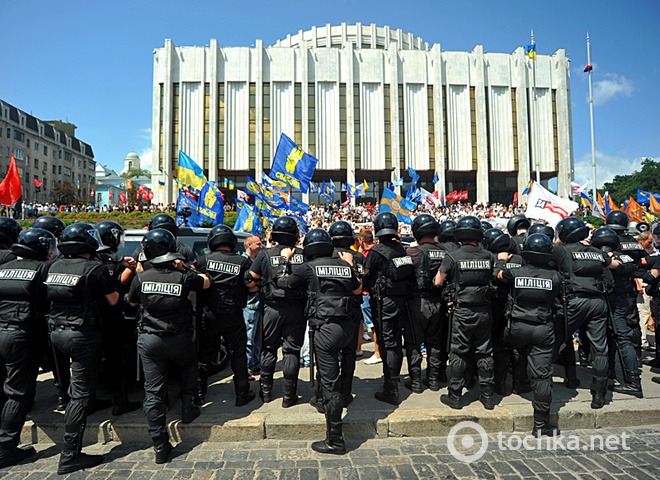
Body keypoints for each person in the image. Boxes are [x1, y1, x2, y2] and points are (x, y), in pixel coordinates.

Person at [126, 229, 210, 464]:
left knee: (153, 391)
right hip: (179, 337)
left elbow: (132, 302)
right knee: (188, 368)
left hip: (150, 339)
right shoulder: (182, 275)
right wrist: (184, 268)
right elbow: (206, 282)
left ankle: (160, 444)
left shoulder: (141, 277)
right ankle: (188, 408)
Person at [277, 229, 361, 454]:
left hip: (325, 329)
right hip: (347, 327)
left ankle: (335, 440)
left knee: (330, 382)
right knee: (336, 372)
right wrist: (351, 265)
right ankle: (321, 400)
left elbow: (284, 283)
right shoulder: (344, 265)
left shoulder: (307, 267)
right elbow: (358, 288)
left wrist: (284, 261)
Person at [45, 223, 119, 474]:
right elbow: (113, 300)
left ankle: (87, 402)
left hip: (56, 332)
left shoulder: (54, 265)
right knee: (80, 394)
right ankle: (70, 455)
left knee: (73, 384)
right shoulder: (94, 268)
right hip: (82, 336)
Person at [494, 234, 562, 436]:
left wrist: (500, 261)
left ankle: (501, 386)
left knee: (503, 349)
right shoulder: (555, 276)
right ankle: (540, 425)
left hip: (516, 326)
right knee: (542, 376)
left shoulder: (515, 272)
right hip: (542, 327)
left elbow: (497, 275)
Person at [0, 228, 56, 467]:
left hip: (1, 329)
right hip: (22, 335)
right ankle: (6, 448)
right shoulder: (42, 269)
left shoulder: (3, 269)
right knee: (17, 393)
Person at [552, 217, 618, 409]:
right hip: (598, 302)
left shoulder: (561, 250)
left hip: (573, 302)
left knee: (557, 339)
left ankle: (550, 381)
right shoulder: (596, 251)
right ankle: (599, 394)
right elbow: (614, 265)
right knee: (600, 349)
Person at [435, 216, 495, 410]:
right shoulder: (488, 255)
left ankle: (455, 395)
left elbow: (438, 281)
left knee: (458, 352)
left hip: (462, 311)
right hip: (484, 310)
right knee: (484, 352)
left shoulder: (453, 256)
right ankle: (487, 396)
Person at [246, 216, 306, 406]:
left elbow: (250, 279)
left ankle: (265, 393)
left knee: (269, 348)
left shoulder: (265, 254)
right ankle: (289, 396)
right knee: (291, 351)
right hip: (297, 309)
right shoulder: (303, 254)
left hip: (271, 308)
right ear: (295, 236)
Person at [195, 225, 256, 407]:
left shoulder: (203, 260)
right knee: (237, 354)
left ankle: (199, 394)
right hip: (233, 314)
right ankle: (242, 394)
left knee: (205, 355)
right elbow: (253, 283)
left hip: (209, 314)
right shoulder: (243, 262)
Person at [363, 212, 416, 406]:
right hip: (401, 300)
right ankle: (394, 381)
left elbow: (365, 276)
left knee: (388, 344)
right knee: (396, 341)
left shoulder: (376, 252)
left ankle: (390, 389)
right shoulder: (402, 249)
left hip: (383, 302)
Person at [95, 221, 141, 416]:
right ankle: (120, 401)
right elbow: (124, 282)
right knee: (116, 361)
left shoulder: (92, 257)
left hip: (90, 319)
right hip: (112, 317)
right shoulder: (114, 261)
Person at [591, 227, 643, 398]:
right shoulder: (625, 256)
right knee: (615, 336)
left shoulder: (605, 259)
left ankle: (633, 382)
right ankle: (612, 371)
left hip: (614, 302)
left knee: (622, 338)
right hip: (626, 300)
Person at [406, 214, 446, 392]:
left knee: (414, 342)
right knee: (434, 342)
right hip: (438, 302)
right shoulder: (445, 252)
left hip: (417, 302)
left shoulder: (412, 252)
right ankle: (434, 380)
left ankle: (416, 382)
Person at [483, 227, 525, 396]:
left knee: (496, 345)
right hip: (515, 307)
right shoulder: (521, 259)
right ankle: (517, 383)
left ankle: (498, 384)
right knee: (513, 347)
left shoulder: (489, 258)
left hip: (496, 305)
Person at [357, 229, 380, 365]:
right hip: (364, 292)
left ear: (362, 240)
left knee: (372, 325)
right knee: (361, 321)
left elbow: (364, 272)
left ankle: (377, 353)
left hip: (368, 292)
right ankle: (358, 348)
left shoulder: (372, 252)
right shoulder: (367, 252)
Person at [242, 235, 263, 378]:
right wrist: (257, 284)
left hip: (259, 304)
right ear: (249, 245)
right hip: (249, 306)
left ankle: (255, 365)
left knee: (257, 339)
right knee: (248, 340)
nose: (261, 246)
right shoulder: (244, 262)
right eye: (259, 244)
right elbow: (248, 285)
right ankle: (248, 369)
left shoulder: (257, 260)